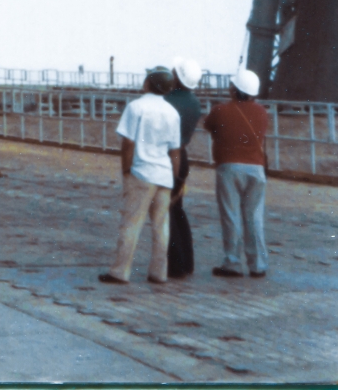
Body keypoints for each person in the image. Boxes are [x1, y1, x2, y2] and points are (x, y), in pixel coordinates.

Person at [100, 67, 182, 285]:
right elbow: (175, 150)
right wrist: (175, 178)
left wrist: (126, 170)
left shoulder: (135, 107)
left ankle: (120, 271)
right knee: (161, 225)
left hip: (141, 171)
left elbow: (128, 142)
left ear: (148, 84)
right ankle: (159, 272)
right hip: (164, 174)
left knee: (131, 223)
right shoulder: (172, 112)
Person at [203, 68, 270, 278]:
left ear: (234, 89)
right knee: (254, 217)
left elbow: (209, 126)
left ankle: (232, 263)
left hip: (229, 168)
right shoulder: (262, 112)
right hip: (256, 169)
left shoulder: (220, 110)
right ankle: (258, 264)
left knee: (231, 215)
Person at [165, 56, 204, 279]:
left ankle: (176, 265)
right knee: (177, 209)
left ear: (177, 77)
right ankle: (187, 261)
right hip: (183, 159)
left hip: (168, 158)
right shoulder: (194, 102)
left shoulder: (167, 100)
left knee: (165, 210)